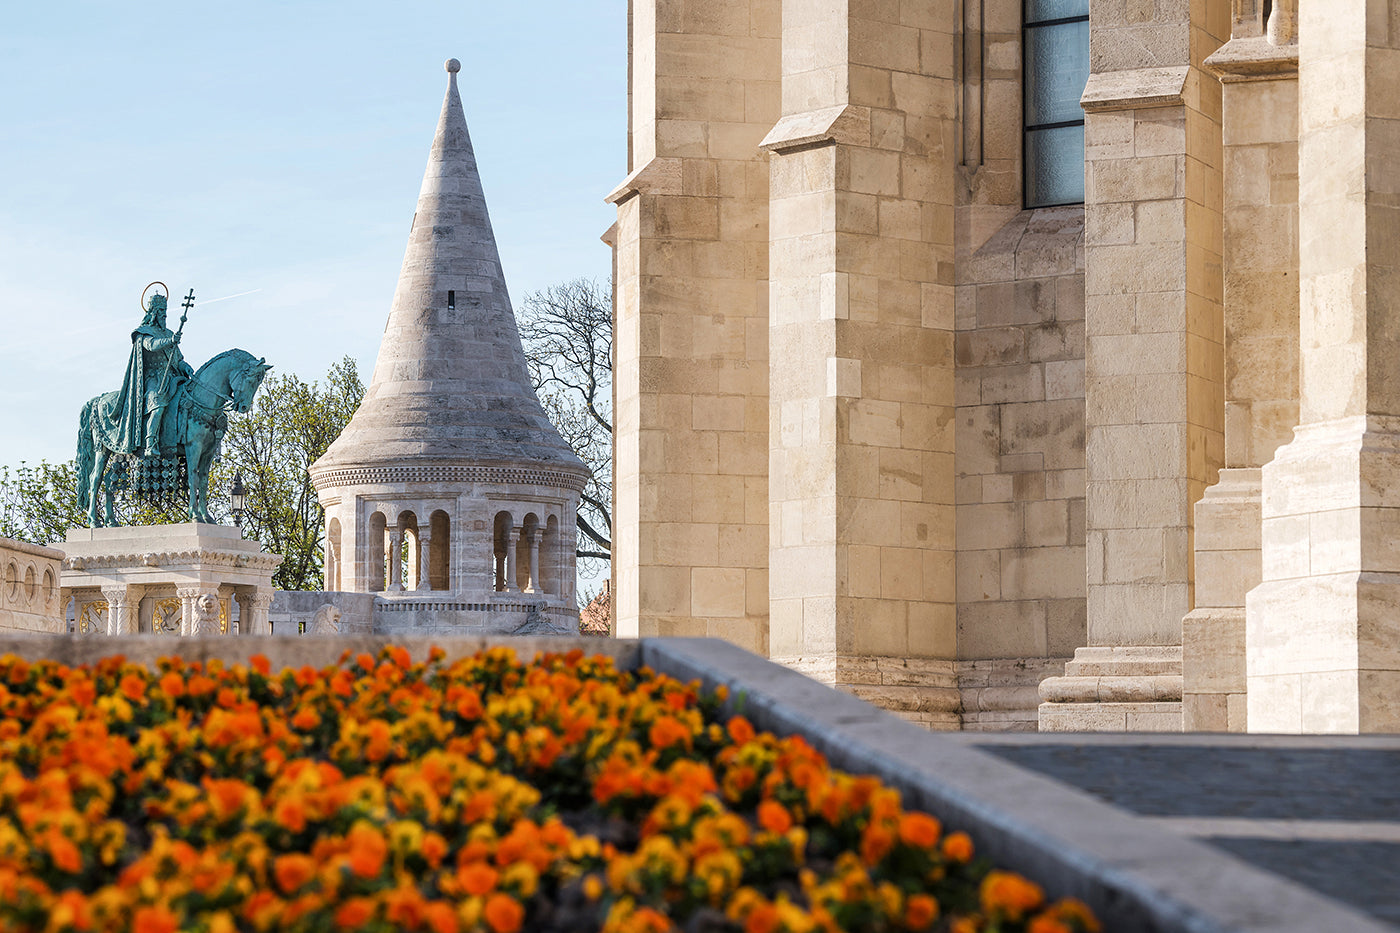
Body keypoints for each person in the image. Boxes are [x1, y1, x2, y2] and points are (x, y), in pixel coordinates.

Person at [106, 292, 194, 457]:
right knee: (158, 404)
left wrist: (185, 366)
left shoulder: (169, 333)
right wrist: (171, 341)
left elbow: (177, 358)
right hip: (152, 379)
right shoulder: (143, 332)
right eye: (160, 312)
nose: (163, 316)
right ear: (152, 312)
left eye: (165, 312)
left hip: (172, 377)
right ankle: (150, 443)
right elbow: (151, 345)